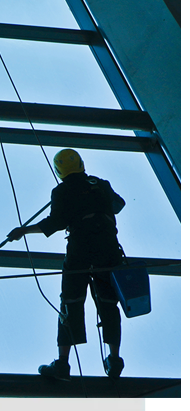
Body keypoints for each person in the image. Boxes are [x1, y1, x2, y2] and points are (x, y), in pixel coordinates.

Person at [7, 149, 126, 380]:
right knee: (109, 303)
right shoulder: (101, 184)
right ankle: (114, 359)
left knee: (71, 301)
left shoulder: (61, 190)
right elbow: (118, 205)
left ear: (59, 171)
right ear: (81, 164)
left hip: (81, 249)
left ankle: (63, 364)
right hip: (108, 249)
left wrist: (24, 231)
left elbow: (56, 222)